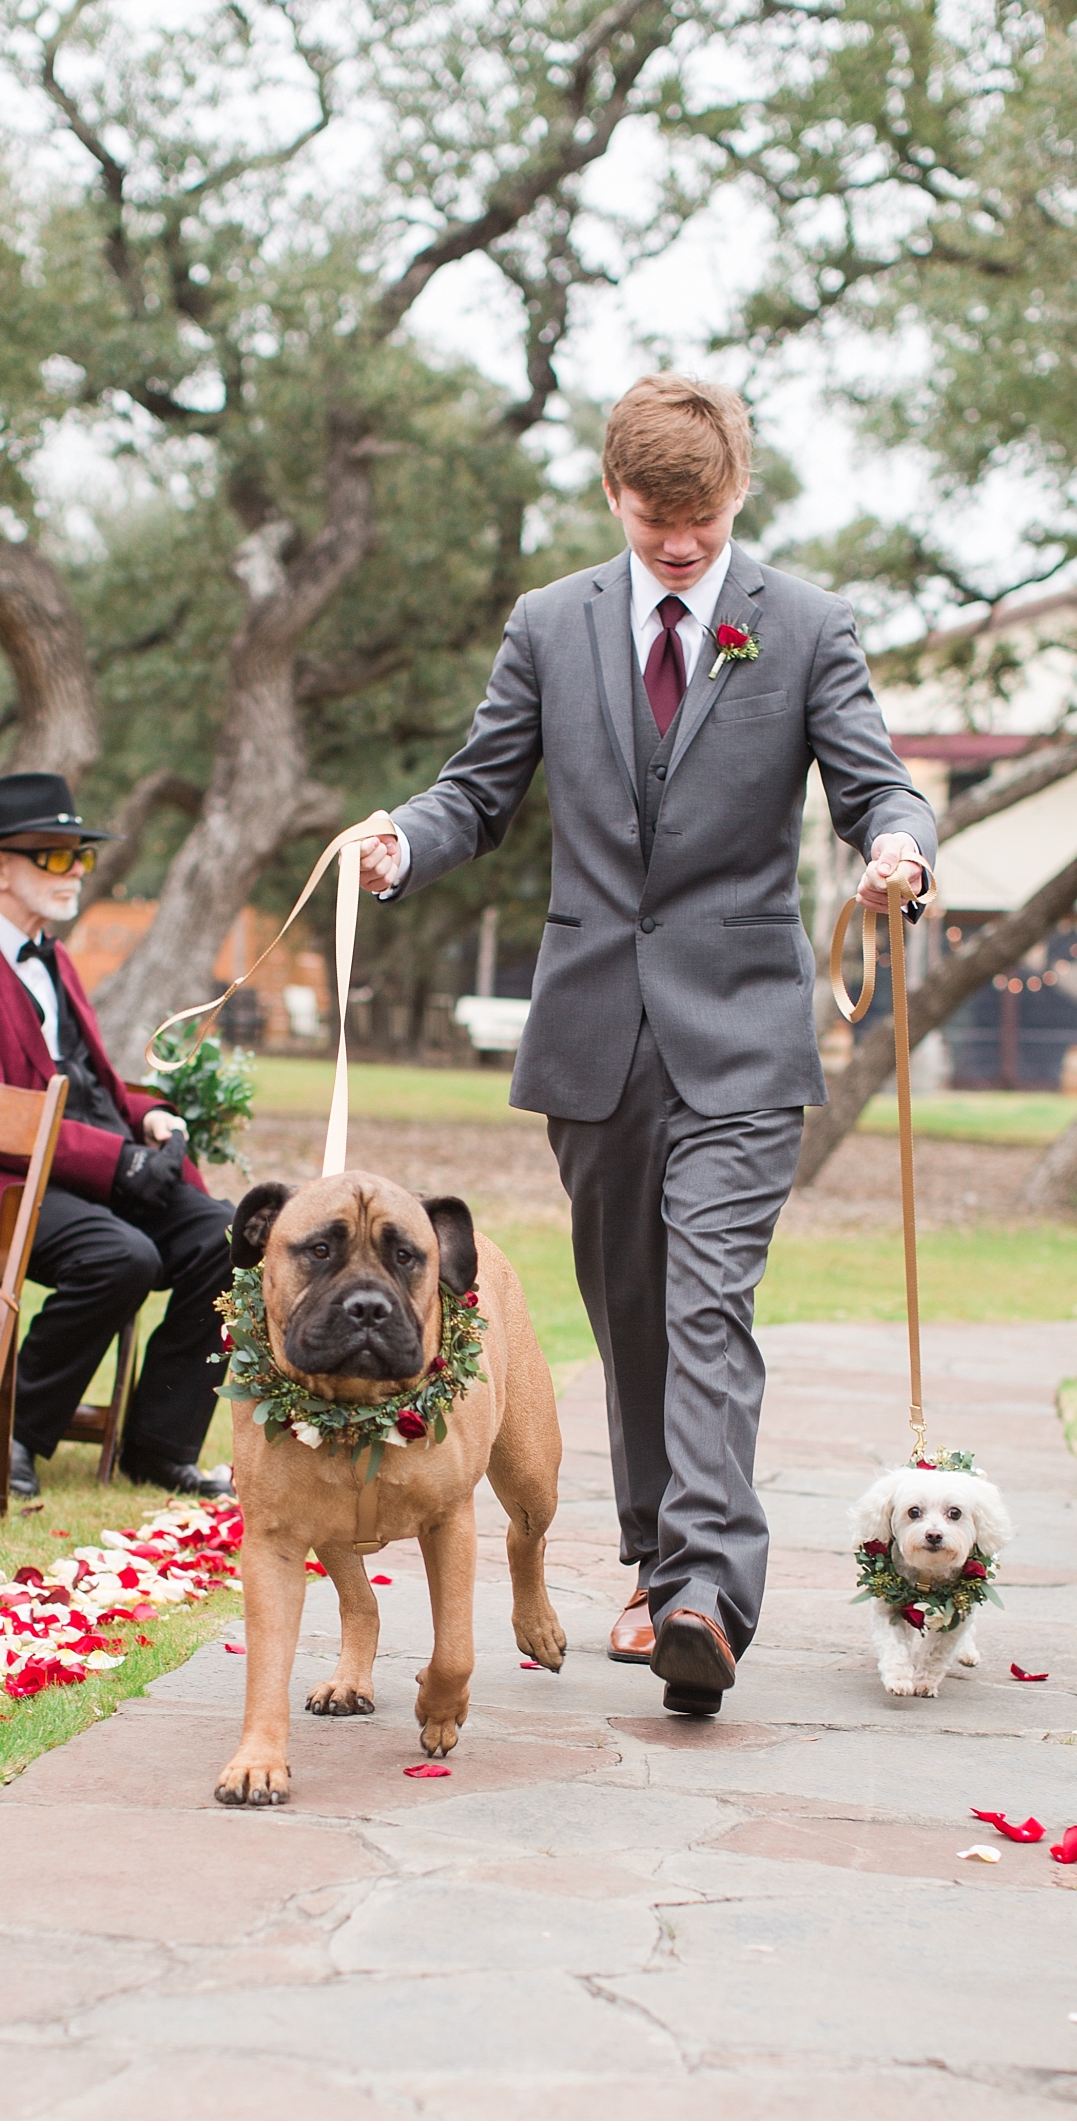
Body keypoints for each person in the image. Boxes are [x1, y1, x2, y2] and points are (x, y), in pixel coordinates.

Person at [360, 374, 936, 1717]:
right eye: (653, 514)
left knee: (707, 1298)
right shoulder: (550, 624)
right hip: (595, 1035)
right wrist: (402, 839)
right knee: (631, 1317)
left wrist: (898, 844)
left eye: (703, 516)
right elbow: (479, 787)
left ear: (739, 492)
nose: (679, 541)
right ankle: (653, 1557)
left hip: (740, 1030)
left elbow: (875, 781)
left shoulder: (802, 627)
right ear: (614, 493)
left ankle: (705, 1594)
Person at [0, 772, 235, 1502]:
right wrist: (119, 1160)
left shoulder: (54, 954)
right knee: (121, 1256)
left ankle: (158, 1446)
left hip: (83, 1166)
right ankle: (10, 1435)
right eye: (56, 854)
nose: (79, 868)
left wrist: (144, 1114)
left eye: (80, 853)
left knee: (227, 1236)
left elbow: (80, 1075)